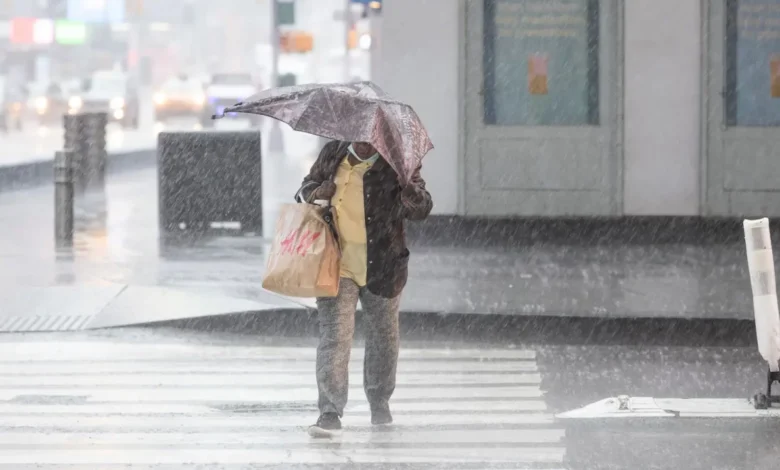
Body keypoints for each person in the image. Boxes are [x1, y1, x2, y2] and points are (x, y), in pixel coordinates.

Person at [295, 140, 433, 438]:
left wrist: (407, 187)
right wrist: (316, 192)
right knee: (335, 337)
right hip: (336, 264)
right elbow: (303, 190)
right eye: (359, 134)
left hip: (384, 265)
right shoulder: (333, 153)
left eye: (372, 137)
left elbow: (422, 209)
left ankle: (379, 400)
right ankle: (330, 411)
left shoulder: (399, 162)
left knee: (383, 337)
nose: (364, 141)